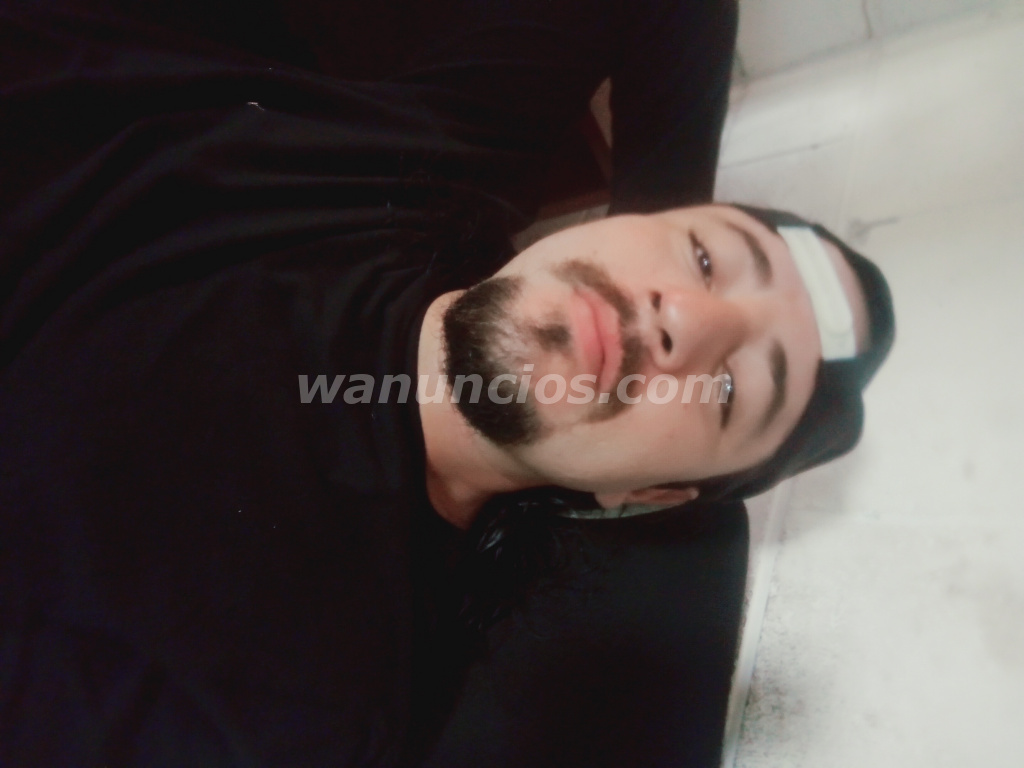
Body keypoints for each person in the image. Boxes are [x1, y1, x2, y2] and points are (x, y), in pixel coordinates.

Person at [0, 0, 894, 766]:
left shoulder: (300, 709)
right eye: (703, 256)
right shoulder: (400, 158)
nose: (685, 320)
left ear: (648, 495)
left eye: (731, 391)